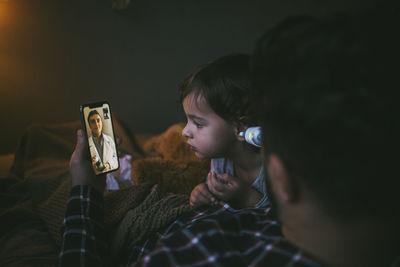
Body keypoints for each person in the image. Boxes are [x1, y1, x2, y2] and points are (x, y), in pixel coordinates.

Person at [59, 12, 400, 267]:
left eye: (197, 122)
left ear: (281, 176)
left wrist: (84, 191)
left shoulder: (204, 247)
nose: (185, 131)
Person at [180, 54, 269, 209]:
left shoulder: (276, 166)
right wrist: (204, 193)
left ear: (241, 128)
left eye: (198, 124)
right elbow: (217, 201)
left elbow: (290, 217)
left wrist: (247, 197)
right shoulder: (220, 160)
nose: (184, 132)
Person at [87, 110, 118, 174]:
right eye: (93, 122)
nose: (96, 124)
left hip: (111, 177)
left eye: (98, 120)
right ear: (90, 126)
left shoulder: (110, 140)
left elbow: (116, 158)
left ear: (101, 123)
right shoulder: (86, 144)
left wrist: (109, 165)